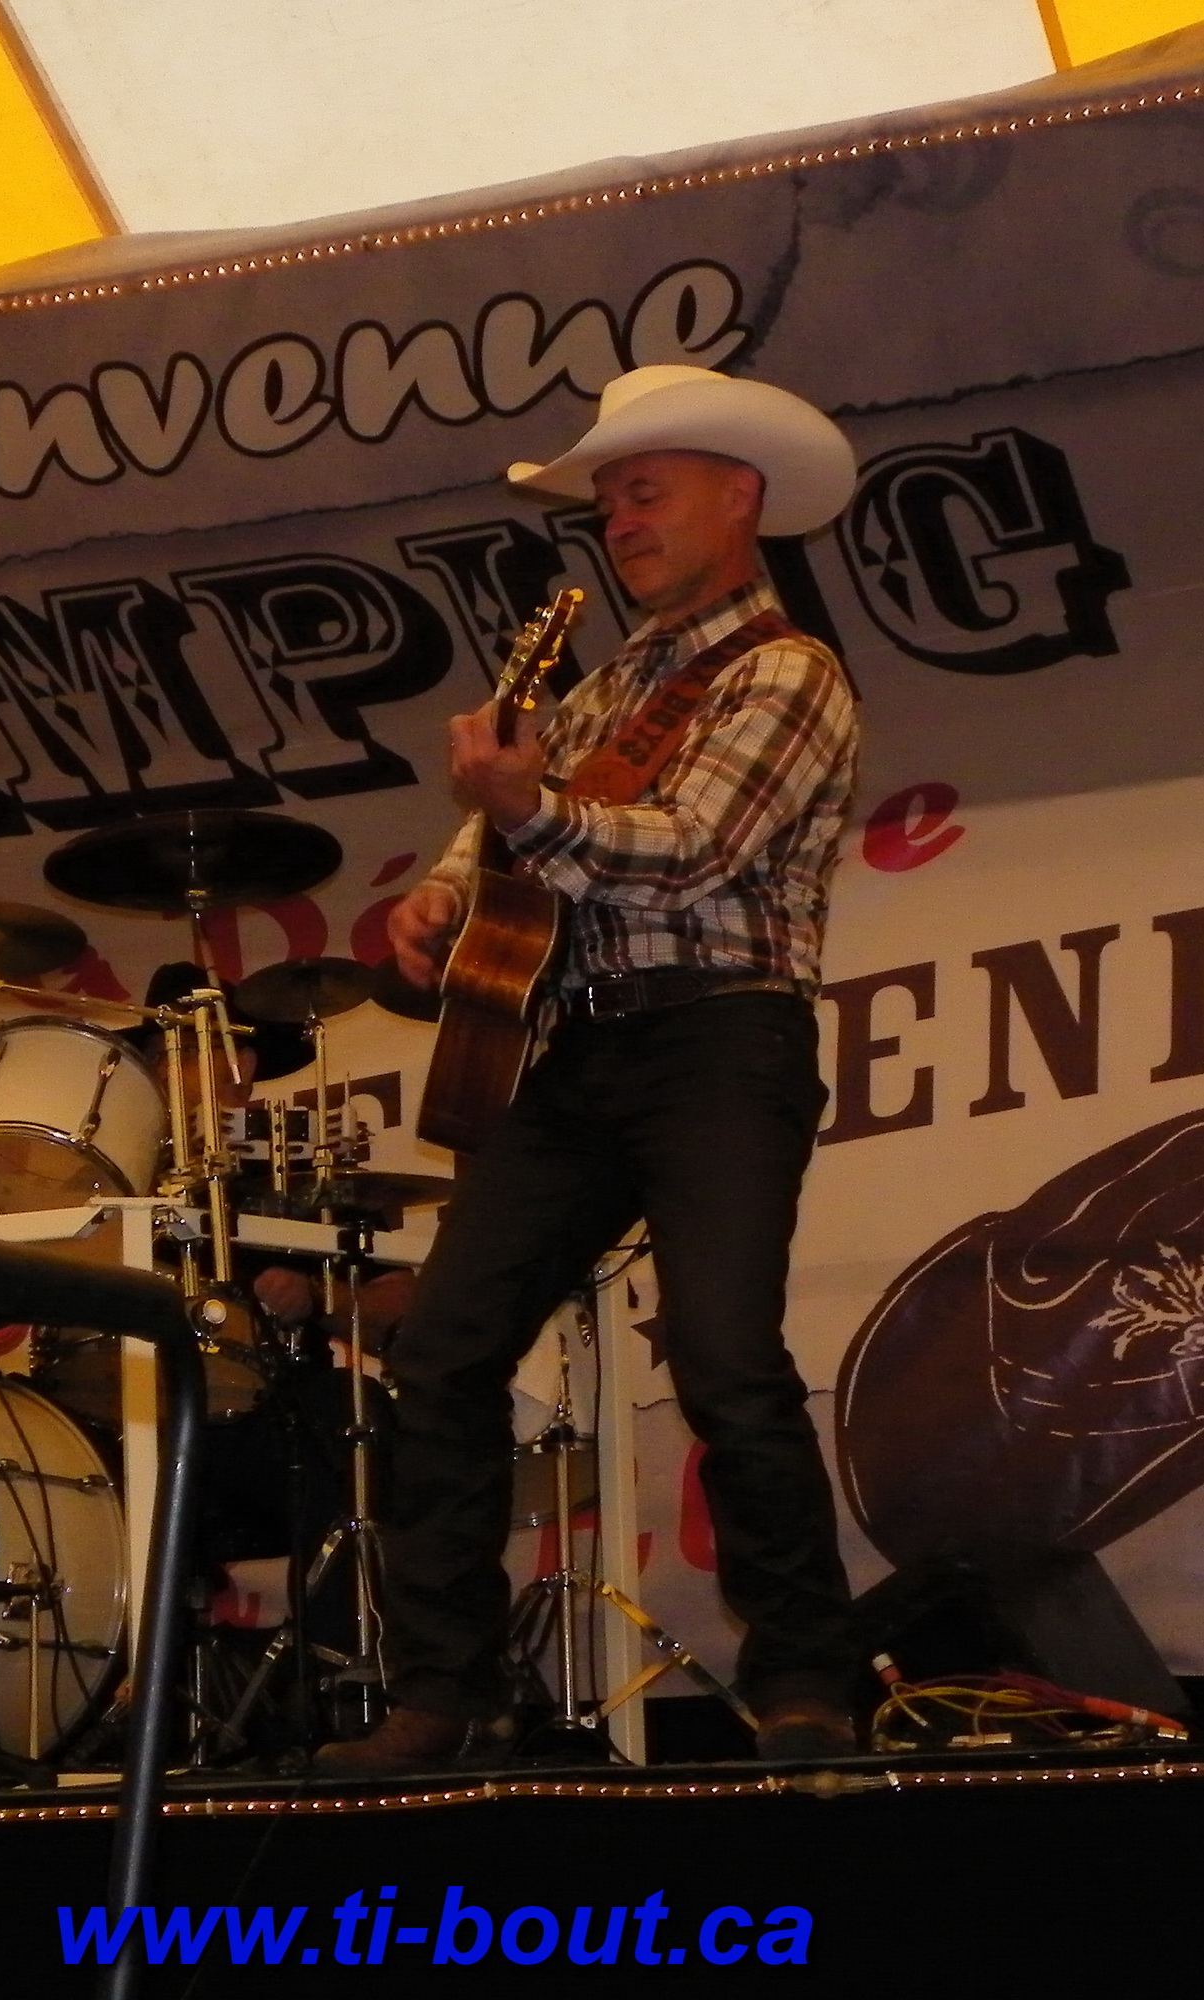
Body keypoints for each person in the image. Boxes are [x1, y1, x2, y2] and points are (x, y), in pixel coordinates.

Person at [315, 362, 861, 1772]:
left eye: (645, 492)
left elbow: (693, 851)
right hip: (581, 1048)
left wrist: (525, 809)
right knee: (441, 1352)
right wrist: (444, 896)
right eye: (609, 501)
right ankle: (444, 1692)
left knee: (726, 1359)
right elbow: (502, 840)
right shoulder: (605, 683)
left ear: (737, 499)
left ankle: (810, 1680)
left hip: (722, 1037)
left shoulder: (787, 671)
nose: (619, 521)